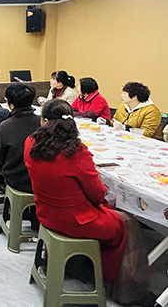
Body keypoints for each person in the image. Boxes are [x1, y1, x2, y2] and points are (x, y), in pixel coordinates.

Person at [23, 99, 152, 303]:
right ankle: (123, 287)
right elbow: (97, 194)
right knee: (126, 223)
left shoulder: (31, 143)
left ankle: (81, 266)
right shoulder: (75, 152)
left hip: (46, 213)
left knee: (114, 216)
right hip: (76, 220)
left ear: (44, 121)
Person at [0, 83, 40, 194]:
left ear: (11, 105)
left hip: (15, 179)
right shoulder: (42, 123)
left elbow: (0, 156)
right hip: (40, 179)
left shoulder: (4, 127)